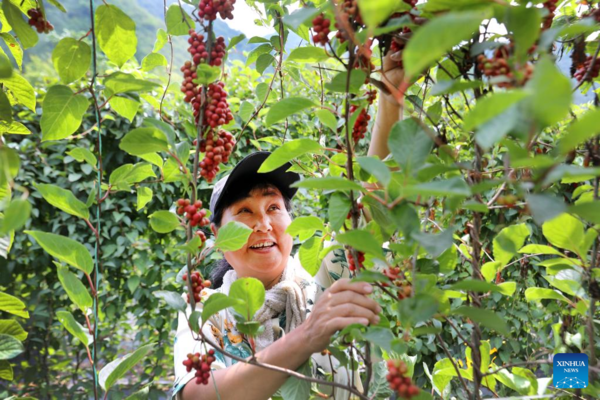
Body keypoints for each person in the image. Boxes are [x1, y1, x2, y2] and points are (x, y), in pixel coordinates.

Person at [172, 52, 405, 400]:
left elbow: (372, 208)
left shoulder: (323, 282)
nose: (263, 224)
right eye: (245, 213)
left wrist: (390, 96)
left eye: (273, 207)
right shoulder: (206, 310)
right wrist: (307, 336)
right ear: (219, 238)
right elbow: (195, 395)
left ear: (291, 222)